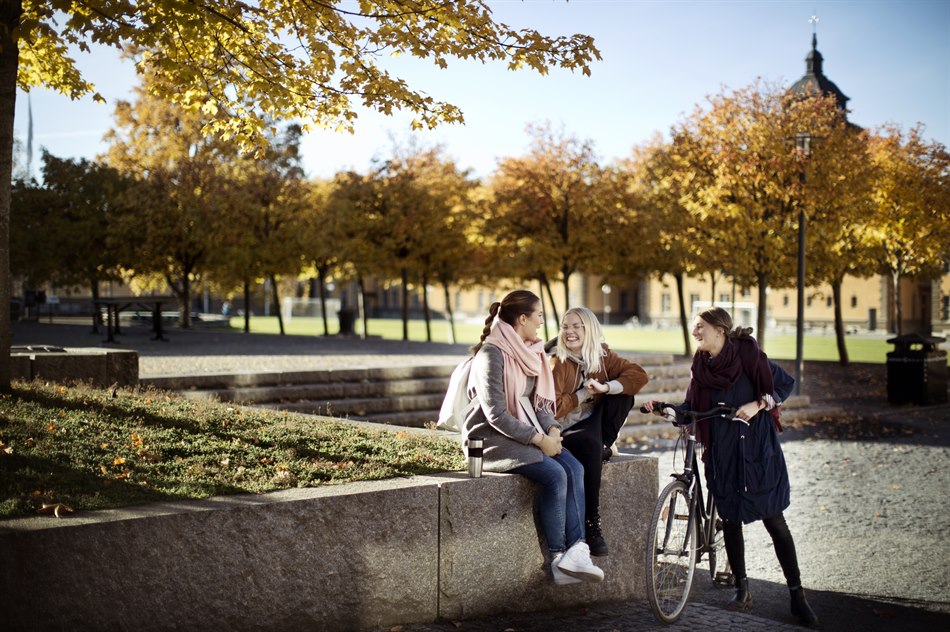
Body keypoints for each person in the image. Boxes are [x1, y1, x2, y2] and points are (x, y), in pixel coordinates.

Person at [643, 307, 819, 628]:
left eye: (700, 327)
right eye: (695, 327)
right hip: (723, 454)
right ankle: (742, 589)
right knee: (731, 520)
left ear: (719, 330)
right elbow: (692, 407)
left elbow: (784, 385)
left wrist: (758, 404)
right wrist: (667, 410)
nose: (695, 332)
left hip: (756, 451)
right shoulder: (701, 367)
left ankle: (797, 595)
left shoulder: (748, 356)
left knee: (775, 521)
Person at [461, 290, 605, 585]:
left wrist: (552, 430)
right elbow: (496, 415)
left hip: (528, 430)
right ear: (522, 319)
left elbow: (540, 404)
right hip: (492, 438)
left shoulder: (532, 351)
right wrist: (540, 440)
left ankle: (577, 551)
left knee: (575, 468)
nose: (542, 321)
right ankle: (558, 558)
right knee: (556, 474)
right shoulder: (491, 354)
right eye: (538, 315)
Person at [549, 306, 649, 557]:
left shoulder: (601, 355)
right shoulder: (557, 361)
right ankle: (592, 522)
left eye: (576, 326)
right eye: (565, 327)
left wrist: (606, 387)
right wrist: (583, 393)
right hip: (565, 428)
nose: (569, 332)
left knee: (623, 395)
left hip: (593, 425)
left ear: (590, 329)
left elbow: (638, 375)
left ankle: (603, 444)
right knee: (590, 445)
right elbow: (553, 408)